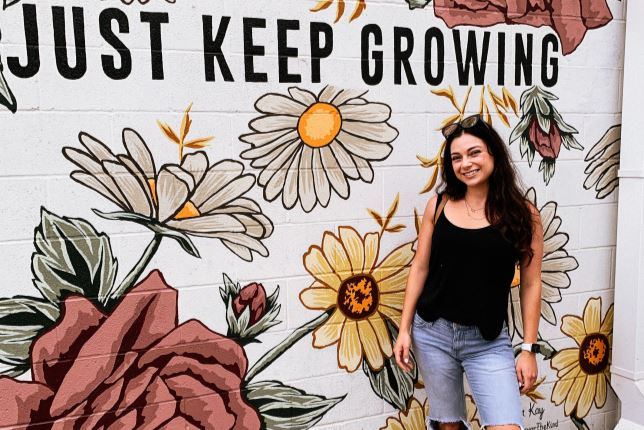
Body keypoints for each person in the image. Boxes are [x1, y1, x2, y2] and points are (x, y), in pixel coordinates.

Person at [394, 114, 544, 430]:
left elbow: (530, 285)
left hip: (487, 341)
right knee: (449, 426)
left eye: (474, 152)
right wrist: (405, 328)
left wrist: (529, 349)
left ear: (493, 154)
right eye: (457, 157)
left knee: (506, 426)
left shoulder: (524, 214)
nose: (466, 163)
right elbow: (419, 267)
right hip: (432, 333)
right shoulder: (439, 205)